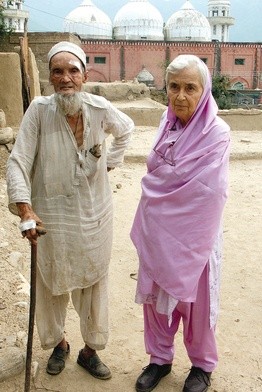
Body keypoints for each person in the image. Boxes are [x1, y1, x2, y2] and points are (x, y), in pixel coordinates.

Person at [6, 41, 134, 380]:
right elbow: (18, 162)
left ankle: (89, 350)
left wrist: (110, 164)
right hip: (51, 215)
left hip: (95, 216)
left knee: (94, 280)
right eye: (58, 72)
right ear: (49, 78)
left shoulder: (100, 107)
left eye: (73, 71)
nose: (66, 78)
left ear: (84, 75)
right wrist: (25, 210)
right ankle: (59, 344)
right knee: (51, 281)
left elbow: (127, 131)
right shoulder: (39, 110)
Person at [130, 54, 230, 392]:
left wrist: (167, 186)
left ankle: (202, 366)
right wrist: (166, 188)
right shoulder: (165, 120)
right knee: (157, 301)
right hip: (158, 232)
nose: (181, 96)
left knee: (196, 303)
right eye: (174, 87)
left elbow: (209, 191)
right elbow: (161, 172)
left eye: (190, 87)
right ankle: (159, 358)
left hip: (195, 236)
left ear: (204, 90)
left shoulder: (217, 132)